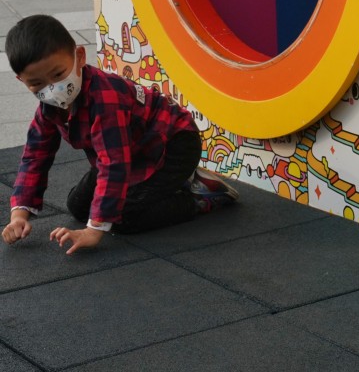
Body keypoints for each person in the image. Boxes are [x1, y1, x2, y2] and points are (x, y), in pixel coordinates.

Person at [2, 15, 239, 254]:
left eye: (57, 74)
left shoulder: (105, 98)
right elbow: (35, 157)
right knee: (78, 206)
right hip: (130, 149)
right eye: (37, 84)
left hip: (173, 145)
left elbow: (114, 164)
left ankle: (199, 197)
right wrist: (19, 215)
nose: (51, 89)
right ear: (22, 81)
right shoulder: (48, 108)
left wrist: (94, 231)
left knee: (123, 218)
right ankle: (175, 185)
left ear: (80, 57)